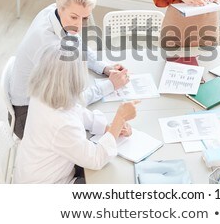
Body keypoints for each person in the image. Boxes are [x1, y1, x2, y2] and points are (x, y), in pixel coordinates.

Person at [9, 0, 129, 139]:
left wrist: (104, 68)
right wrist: (110, 85)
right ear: (60, 8)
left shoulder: (57, 14)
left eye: (84, 18)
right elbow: (70, 103)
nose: (79, 25)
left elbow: (78, 44)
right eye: (74, 17)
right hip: (27, 117)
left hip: (43, 103)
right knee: (93, 142)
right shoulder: (50, 45)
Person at [13, 45, 138, 184]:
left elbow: (75, 110)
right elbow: (96, 159)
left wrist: (107, 127)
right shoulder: (61, 124)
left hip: (35, 169)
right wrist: (119, 120)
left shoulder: (42, 92)